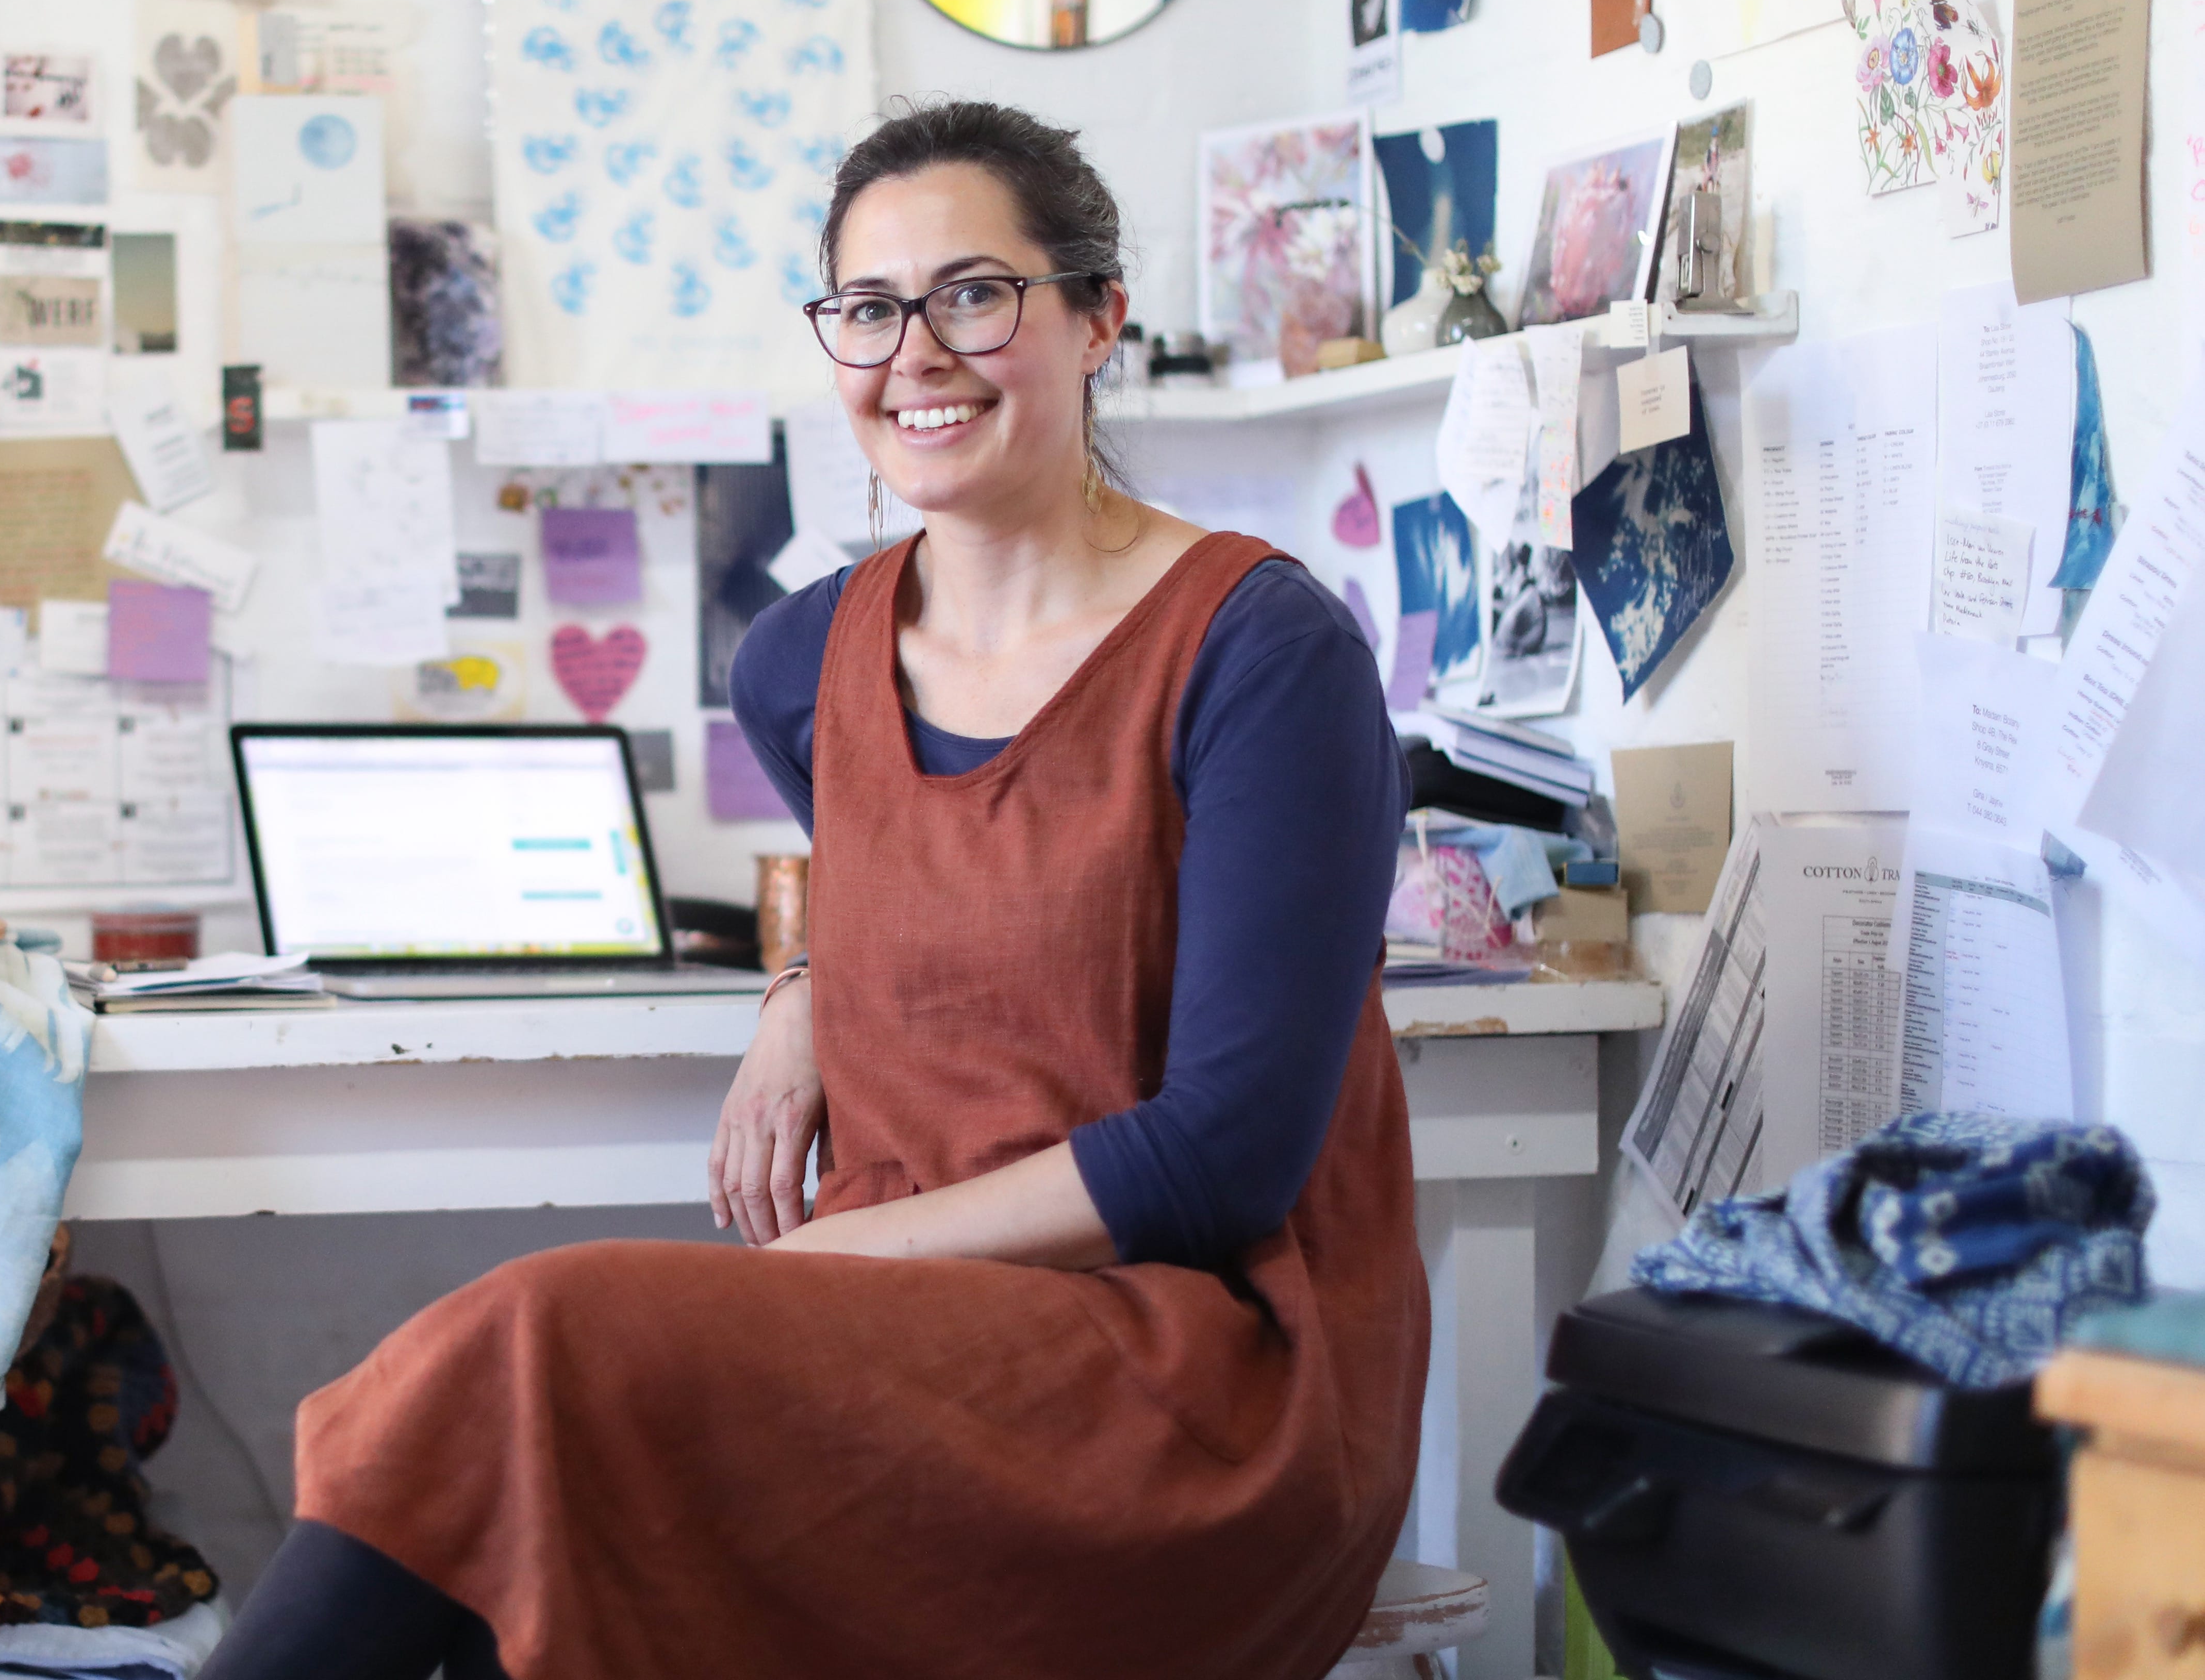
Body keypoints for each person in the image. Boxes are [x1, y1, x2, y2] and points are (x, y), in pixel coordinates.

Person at [202, 99, 1425, 1680]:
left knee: (542, 1345)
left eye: (974, 294)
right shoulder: (799, 660)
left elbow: (1225, 1161)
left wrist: (826, 1261)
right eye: (867, 309)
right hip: (915, 1347)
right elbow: (917, 859)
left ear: (1097, 316)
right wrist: (801, 988)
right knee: (533, 1433)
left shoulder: (1262, 652)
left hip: (1182, 1373)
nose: (916, 351)